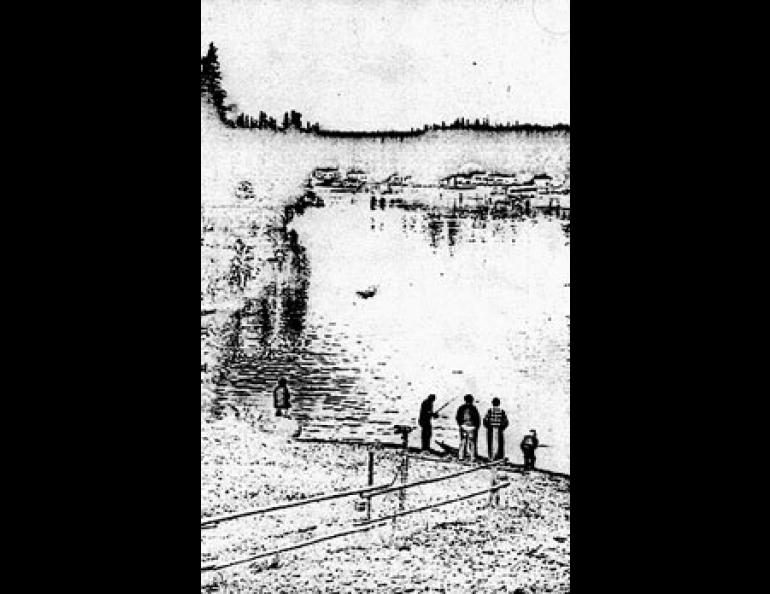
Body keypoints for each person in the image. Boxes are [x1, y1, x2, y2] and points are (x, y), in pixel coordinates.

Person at [455, 394, 481, 462]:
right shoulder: (474, 408)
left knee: (463, 441)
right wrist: (476, 427)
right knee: (472, 442)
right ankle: (472, 457)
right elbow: (477, 419)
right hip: (472, 427)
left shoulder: (461, 408)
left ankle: (461, 457)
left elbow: (457, 417)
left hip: (464, 426)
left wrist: (460, 425)